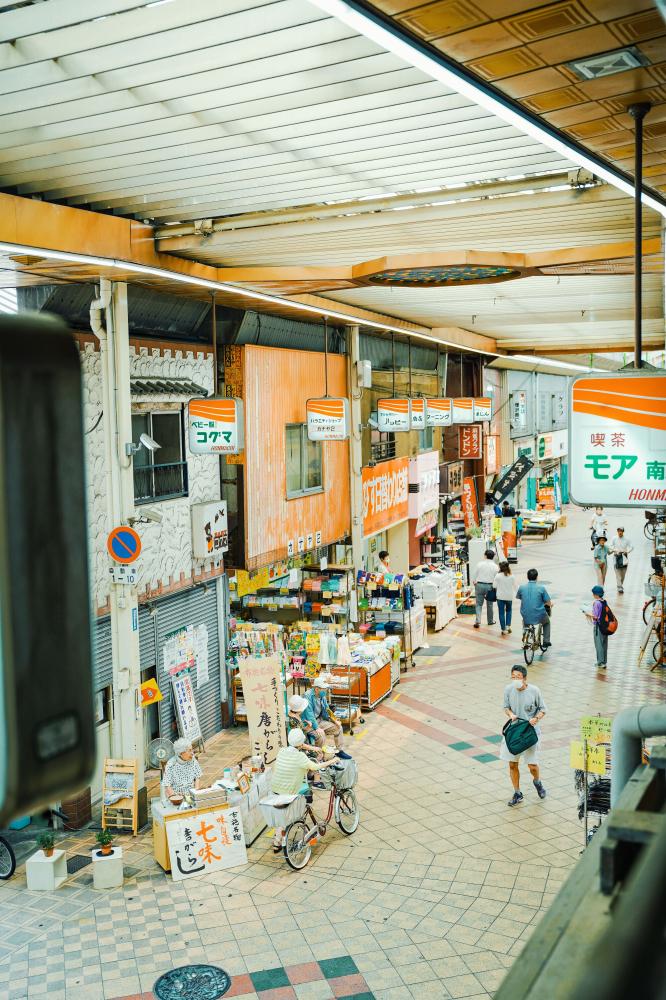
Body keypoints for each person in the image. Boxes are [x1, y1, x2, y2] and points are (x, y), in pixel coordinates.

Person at [269, 729, 339, 851]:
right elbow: (315, 767)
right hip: (289, 792)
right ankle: (285, 837)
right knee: (292, 811)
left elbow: (298, 745)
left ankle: (277, 841)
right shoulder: (300, 757)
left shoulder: (282, 751)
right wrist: (332, 760)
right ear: (301, 743)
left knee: (281, 816)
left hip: (274, 790)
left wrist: (313, 748)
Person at [502, 665, 547, 807]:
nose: (515, 679)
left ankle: (537, 782)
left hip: (529, 731)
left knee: (532, 765)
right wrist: (511, 715)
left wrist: (536, 718)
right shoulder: (508, 689)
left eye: (518, 677)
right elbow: (505, 707)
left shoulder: (534, 691)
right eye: (513, 677)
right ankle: (517, 793)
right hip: (514, 731)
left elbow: (543, 709)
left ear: (525, 678)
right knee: (512, 763)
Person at [306, 677, 351, 759]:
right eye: (324, 689)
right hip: (309, 724)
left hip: (319, 720)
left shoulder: (321, 696)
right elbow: (309, 714)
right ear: (316, 689)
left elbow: (327, 710)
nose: (326, 690)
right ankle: (319, 757)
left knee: (338, 728)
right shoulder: (307, 696)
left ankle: (339, 751)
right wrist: (316, 728)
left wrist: (334, 720)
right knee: (321, 735)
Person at [516, 568, 552, 648]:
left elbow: (519, 597)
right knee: (546, 623)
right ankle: (546, 641)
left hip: (525, 614)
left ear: (527, 577)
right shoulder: (541, 588)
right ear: (537, 577)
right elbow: (548, 602)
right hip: (539, 615)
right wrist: (549, 605)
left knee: (525, 622)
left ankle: (525, 635)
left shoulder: (521, 587)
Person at [163, 738, 202, 803]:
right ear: (181, 753)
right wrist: (175, 798)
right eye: (189, 750)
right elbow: (167, 785)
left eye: (192, 749)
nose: (192, 753)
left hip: (191, 795)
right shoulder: (171, 764)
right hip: (177, 796)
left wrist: (196, 792)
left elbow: (197, 777)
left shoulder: (193, 760)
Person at [472, 549, 497, 629]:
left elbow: (474, 574)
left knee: (479, 604)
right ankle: (490, 621)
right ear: (493, 557)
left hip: (479, 585)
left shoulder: (480, 564)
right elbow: (496, 578)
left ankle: (478, 621)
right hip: (490, 586)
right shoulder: (496, 566)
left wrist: (474, 582)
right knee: (490, 605)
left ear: (485, 556)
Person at [586, 585, 609, 669]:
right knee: (604, 644)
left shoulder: (596, 603)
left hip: (598, 627)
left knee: (599, 644)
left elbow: (595, 616)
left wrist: (587, 614)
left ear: (596, 594)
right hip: (605, 627)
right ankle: (604, 661)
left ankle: (600, 662)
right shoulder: (604, 601)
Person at [494, 561, 517, 636]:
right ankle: (508, 626)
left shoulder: (498, 576)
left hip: (500, 597)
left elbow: (494, 586)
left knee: (501, 613)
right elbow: (516, 587)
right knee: (509, 611)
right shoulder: (512, 576)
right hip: (509, 597)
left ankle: (503, 630)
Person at [609, 527, 633, 594]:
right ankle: (619, 587)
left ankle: (620, 585)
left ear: (623, 532)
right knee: (618, 574)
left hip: (624, 557)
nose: (620, 532)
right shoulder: (614, 538)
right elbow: (610, 546)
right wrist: (615, 550)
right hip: (616, 557)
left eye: (621, 531)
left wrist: (627, 551)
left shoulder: (627, 539)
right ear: (617, 531)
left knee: (623, 574)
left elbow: (632, 546)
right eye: (619, 531)